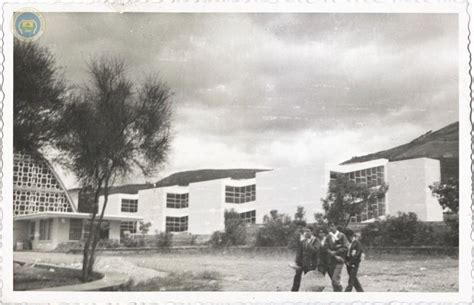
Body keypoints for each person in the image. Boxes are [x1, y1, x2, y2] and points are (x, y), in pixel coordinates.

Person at [290, 227, 320, 291]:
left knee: (309, 278)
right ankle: (294, 291)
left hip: (310, 263)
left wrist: (309, 243)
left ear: (312, 232)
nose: (306, 233)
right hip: (301, 262)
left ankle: (309, 292)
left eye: (308, 231)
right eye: (305, 231)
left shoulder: (316, 240)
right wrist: (296, 261)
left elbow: (315, 250)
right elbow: (299, 252)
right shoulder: (303, 241)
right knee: (297, 277)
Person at [325, 222, 349, 292]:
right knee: (333, 280)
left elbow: (346, 247)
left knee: (335, 279)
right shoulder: (328, 236)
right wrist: (330, 252)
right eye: (330, 226)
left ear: (336, 226)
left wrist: (336, 252)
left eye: (332, 226)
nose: (331, 228)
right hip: (331, 260)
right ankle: (336, 294)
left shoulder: (341, 235)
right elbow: (326, 247)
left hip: (339, 260)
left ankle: (340, 289)